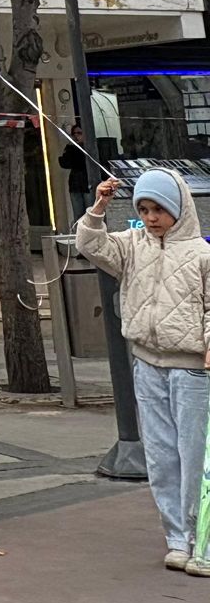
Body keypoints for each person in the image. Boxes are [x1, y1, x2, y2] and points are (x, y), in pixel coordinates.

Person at [76, 167, 210, 573]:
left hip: (192, 371)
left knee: (194, 455)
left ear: (178, 208)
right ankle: (176, 537)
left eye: (159, 209)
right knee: (161, 455)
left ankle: (199, 537)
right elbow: (90, 245)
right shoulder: (133, 245)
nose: (151, 217)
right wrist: (99, 207)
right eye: (145, 209)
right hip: (147, 364)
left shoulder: (203, 254)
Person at [61, 122, 91, 224]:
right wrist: (71, 147)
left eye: (79, 133)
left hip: (88, 184)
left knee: (90, 212)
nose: (76, 136)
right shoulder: (71, 148)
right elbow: (65, 163)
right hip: (75, 185)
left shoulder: (90, 147)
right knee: (78, 214)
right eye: (74, 134)